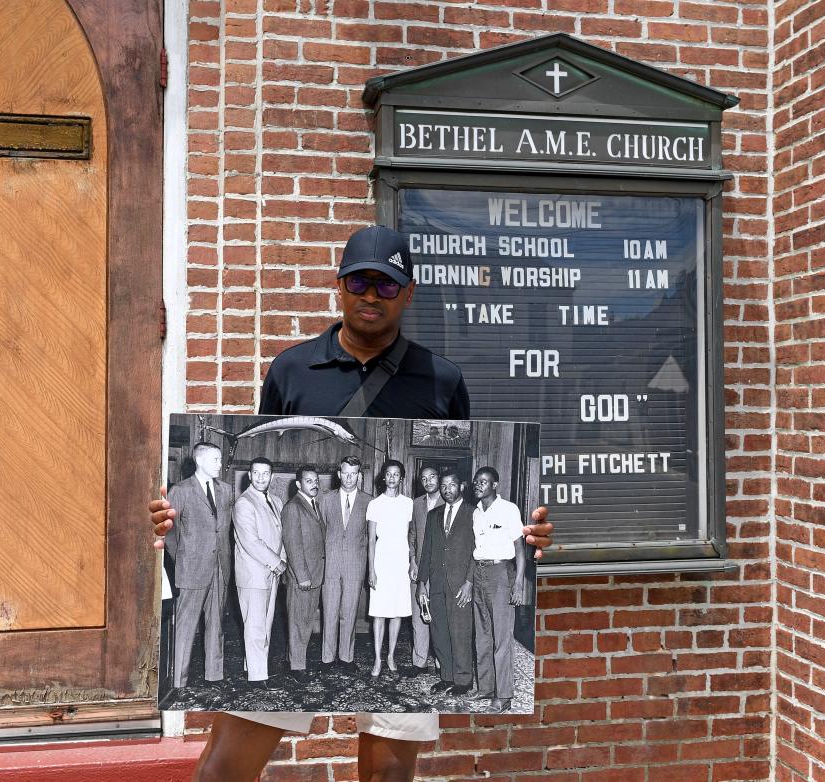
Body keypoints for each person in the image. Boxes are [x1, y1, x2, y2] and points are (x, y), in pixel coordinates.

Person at [150, 225, 554, 782]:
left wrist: (525, 532)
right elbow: (248, 449)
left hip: (381, 567)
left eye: (387, 286)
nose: (372, 295)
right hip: (309, 566)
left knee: (390, 768)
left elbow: (468, 494)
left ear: (407, 294)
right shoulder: (291, 369)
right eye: (360, 281)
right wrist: (171, 518)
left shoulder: (442, 381)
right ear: (339, 286)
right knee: (228, 763)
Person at [164, 441, 233, 690]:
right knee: (185, 626)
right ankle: (177, 682)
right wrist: (181, 556)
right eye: (215, 459)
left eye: (220, 459)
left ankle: (214, 676)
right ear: (200, 461)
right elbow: (166, 530)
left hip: (220, 567)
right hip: (192, 568)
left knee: (216, 625)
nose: (220, 464)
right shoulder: (181, 490)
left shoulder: (226, 490)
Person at [470, 467, 525, 713]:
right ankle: (486, 688)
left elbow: (520, 549)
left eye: (484, 481)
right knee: (482, 635)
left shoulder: (509, 509)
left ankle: (504, 696)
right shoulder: (476, 513)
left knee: (502, 638)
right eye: (476, 481)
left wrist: (518, 582)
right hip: (479, 572)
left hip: (501, 573)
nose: (478, 485)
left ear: (495, 485)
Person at [417, 470, 476, 697]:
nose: (447, 489)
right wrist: (422, 583)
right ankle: (447, 677)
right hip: (437, 583)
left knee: (460, 631)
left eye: (452, 485)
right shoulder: (434, 515)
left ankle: (463, 679)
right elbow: (426, 552)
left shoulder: (473, 513)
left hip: (461, 584)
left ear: (461, 486)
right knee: (439, 630)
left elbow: (476, 552)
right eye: (443, 486)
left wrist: (469, 582)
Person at [232, 457, 287, 687]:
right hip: (253, 574)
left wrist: (282, 559)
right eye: (257, 473)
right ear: (250, 475)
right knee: (255, 627)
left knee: (264, 625)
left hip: (271, 573)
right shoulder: (244, 503)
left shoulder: (275, 500)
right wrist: (277, 562)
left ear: (271, 476)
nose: (262, 478)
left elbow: (279, 534)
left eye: (266, 473)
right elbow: (251, 542)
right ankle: (257, 677)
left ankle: (253, 668)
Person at [319, 455, 372, 669]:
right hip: (330, 564)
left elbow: (371, 536)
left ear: (359, 475)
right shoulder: (325, 499)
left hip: (355, 565)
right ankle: (327, 658)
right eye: (345, 473)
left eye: (354, 474)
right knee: (329, 611)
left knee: (349, 612)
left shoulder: (369, 501)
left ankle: (346, 657)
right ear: (339, 474)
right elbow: (321, 530)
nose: (349, 478)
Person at [367, 459, 414, 677]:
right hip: (381, 562)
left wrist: (411, 562)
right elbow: (370, 541)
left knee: (397, 613)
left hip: (400, 562)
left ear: (401, 478)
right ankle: (377, 659)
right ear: (383, 477)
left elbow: (411, 536)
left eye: (396, 474)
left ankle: (391, 656)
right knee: (379, 613)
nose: (392, 477)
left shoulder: (408, 504)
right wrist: (371, 570)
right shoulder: (375, 504)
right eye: (389, 474)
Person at [280, 463, 326, 677]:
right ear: (298, 484)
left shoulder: (313, 504)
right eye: (309, 481)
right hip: (303, 577)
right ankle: (297, 666)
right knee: (299, 622)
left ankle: (295, 659)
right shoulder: (293, 507)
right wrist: (302, 576)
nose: (314, 484)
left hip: (316, 574)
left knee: (306, 620)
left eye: (316, 480)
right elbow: (293, 544)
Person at [406, 466, 442, 677]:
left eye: (432, 476)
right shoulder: (416, 504)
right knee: (419, 615)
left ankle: (440, 661)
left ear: (439, 478)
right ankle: (418, 662)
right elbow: (412, 535)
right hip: (419, 569)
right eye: (424, 478)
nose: (428, 481)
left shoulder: (447, 501)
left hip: (440, 570)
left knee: (438, 616)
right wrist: (412, 560)